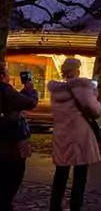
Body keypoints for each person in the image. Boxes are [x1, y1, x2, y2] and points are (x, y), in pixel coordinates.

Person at [48, 58, 101, 211]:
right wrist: (95, 93)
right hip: (80, 135)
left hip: (62, 135)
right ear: (74, 70)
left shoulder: (56, 91)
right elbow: (96, 110)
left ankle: (55, 206)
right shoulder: (82, 87)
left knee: (61, 173)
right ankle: (75, 206)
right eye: (78, 68)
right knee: (80, 174)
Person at [0, 63, 38, 211]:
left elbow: (15, 100)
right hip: (8, 140)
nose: (10, 75)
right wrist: (30, 89)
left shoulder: (7, 92)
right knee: (12, 174)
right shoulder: (4, 89)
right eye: (8, 72)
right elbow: (30, 102)